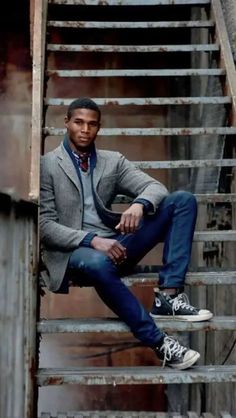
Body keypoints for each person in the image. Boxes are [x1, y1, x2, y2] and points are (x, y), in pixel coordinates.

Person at [40, 97, 213, 370]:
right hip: (74, 253)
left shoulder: (112, 162)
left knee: (182, 200)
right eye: (79, 122)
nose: (85, 129)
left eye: (92, 124)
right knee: (97, 261)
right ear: (67, 124)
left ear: (99, 128)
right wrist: (92, 240)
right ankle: (160, 343)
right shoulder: (47, 165)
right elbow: (46, 227)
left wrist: (138, 205)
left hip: (116, 244)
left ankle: (169, 294)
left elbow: (156, 188)